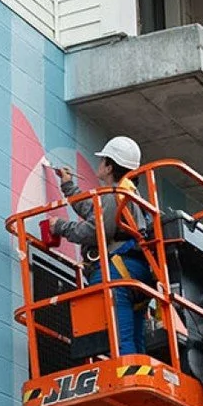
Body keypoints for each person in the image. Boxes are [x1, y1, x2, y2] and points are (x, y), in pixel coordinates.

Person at [48, 135, 153, 355]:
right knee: (134, 338)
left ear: (109, 166)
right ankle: (140, 377)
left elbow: (96, 231)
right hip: (137, 271)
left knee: (119, 339)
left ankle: (130, 379)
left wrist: (60, 227)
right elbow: (94, 211)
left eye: (102, 160)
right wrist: (68, 185)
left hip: (116, 271)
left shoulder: (113, 194)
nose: (99, 165)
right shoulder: (129, 195)